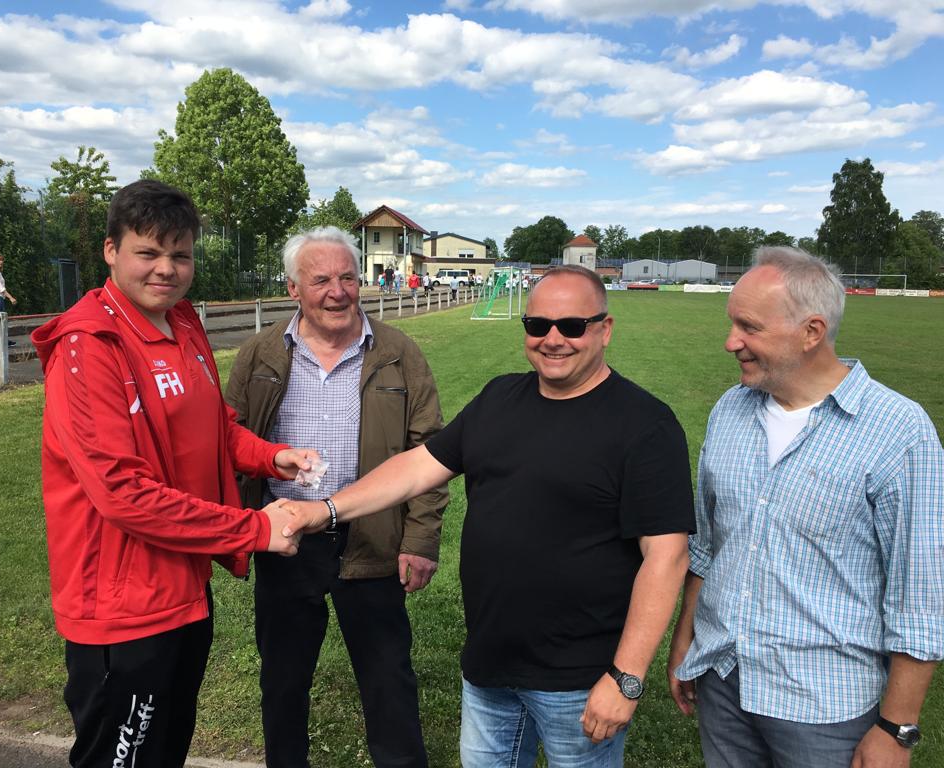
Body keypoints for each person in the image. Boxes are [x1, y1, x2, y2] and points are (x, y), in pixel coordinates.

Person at [280, 264, 694, 767]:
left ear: (604, 329)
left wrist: (625, 678)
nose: (553, 340)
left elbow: (666, 557)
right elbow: (415, 469)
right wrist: (325, 510)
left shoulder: (645, 425)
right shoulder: (500, 397)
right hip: (489, 669)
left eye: (571, 326)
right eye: (538, 325)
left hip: (579, 682)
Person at [31, 180, 315, 768]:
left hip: (183, 587)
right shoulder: (89, 346)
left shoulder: (181, 321)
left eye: (180, 255)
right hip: (123, 608)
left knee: (165, 750)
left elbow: (211, 426)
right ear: (111, 251)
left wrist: (269, 456)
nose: (166, 269)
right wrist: (254, 530)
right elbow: (123, 494)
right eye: (148, 252)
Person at [668, 247, 944, 768]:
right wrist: (685, 640)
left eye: (748, 327)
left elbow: (920, 594)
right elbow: (707, 546)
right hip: (723, 680)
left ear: (811, 331)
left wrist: (896, 728)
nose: (730, 342)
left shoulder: (898, 431)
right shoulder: (730, 409)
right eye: (732, 323)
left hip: (824, 705)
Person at [225, 226, 448, 768]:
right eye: (321, 279)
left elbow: (430, 451)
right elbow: (228, 439)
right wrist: (240, 527)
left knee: (388, 679)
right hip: (287, 540)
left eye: (347, 277)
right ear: (293, 288)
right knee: (283, 679)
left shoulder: (398, 353)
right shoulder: (259, 353)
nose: (337, 291)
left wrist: (420, 538)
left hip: (371, 539)